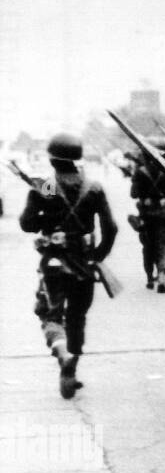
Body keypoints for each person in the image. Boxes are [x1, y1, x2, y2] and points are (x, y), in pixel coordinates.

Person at [19, 132, 118, 399]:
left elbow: (26, 223)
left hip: (53, 262)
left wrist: (44, 221)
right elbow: (111, 228)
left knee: (50, 314)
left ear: (52, 159)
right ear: (78, 158)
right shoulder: (94, 188)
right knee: (77, 317)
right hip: (84, 263)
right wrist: (97, 255)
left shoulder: (45, 186)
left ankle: (63, 356)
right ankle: (72, 364)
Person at [130, 136, 165, 293]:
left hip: (146, 214)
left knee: (147, 246)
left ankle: (150, 277)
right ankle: (162, 275)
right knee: (164, 244)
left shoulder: (140, 172)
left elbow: (133, 194)